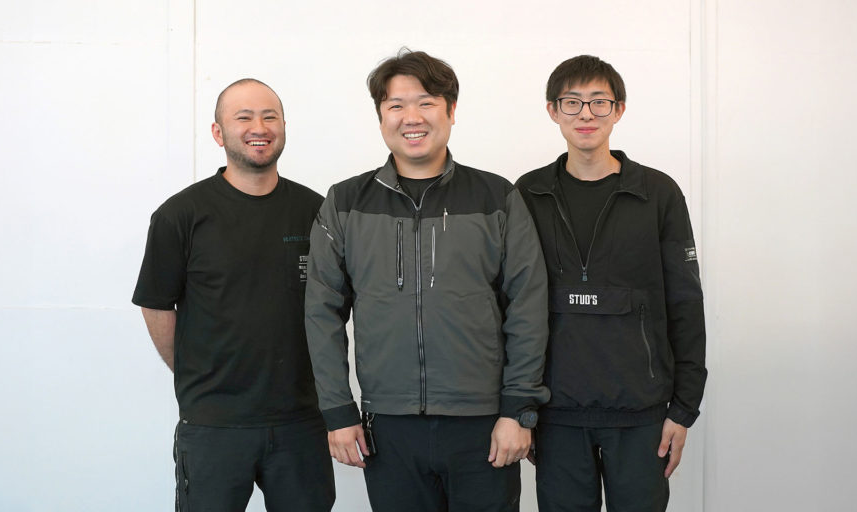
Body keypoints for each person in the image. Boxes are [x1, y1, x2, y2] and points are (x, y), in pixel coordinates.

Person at [305, 49, 550, 512]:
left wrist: (519, 409)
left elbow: (528, 306)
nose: (411, 117)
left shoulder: (496, 197)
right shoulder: (346, 202)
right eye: (396, 105)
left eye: (426, 103)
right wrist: (337, 411)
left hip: (484, 424)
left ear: (451, 111)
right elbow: (321, 313)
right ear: (381, 117)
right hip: (388, 425)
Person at [515, 55, 708, 511]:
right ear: (552, 110)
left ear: (619, 109)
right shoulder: (528, 193)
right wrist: (519, 408)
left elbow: (685, 302)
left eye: (599, 102)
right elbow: (511, 304)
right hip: (556, 412)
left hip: (641, 411)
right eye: (572, 102)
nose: (586, 114)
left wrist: (684, 409)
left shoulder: (657, 193)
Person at [132, 78, 335, 512]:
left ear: (284, 127)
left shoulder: (316, 212)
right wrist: (195, 372)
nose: (259, 127)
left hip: (300, 421)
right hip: (213, 424)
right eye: (243, 117)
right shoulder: (180, 216)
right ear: (218, 132)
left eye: (269, 116)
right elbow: (156, 303)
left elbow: (337, 305)